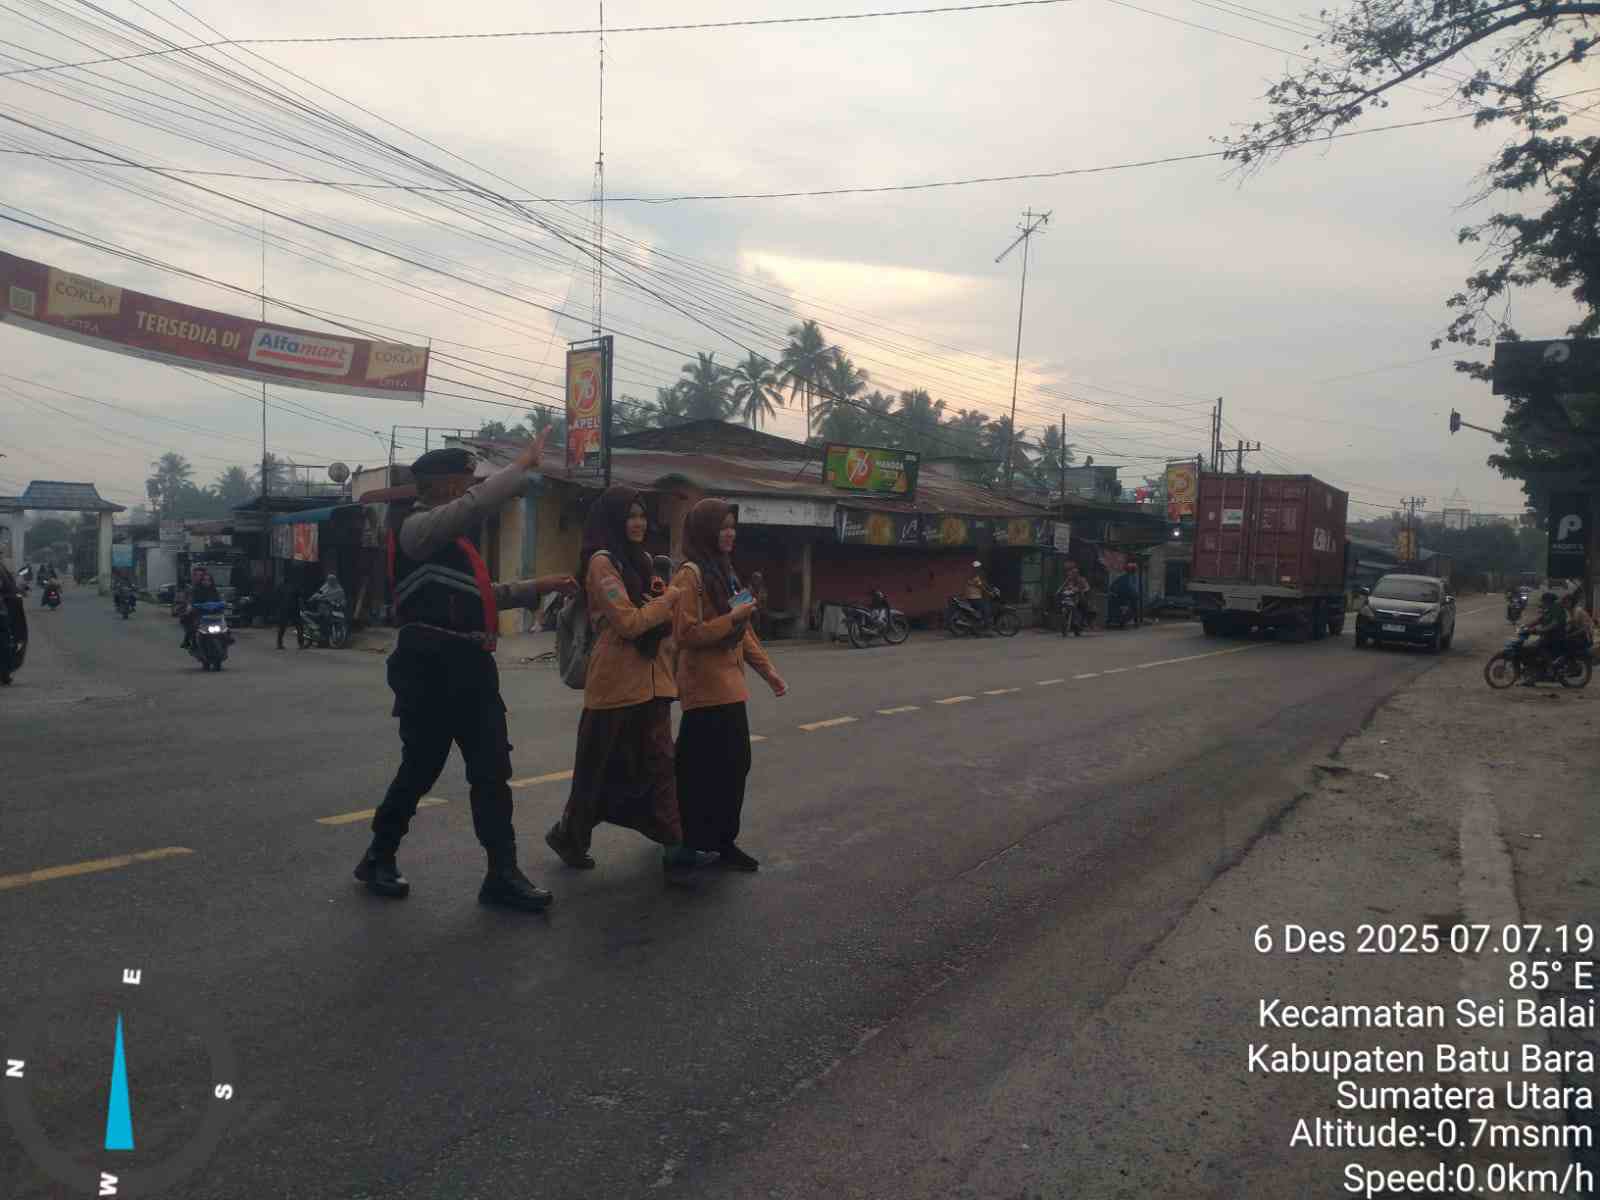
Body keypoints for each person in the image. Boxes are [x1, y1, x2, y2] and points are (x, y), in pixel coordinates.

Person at [358, 437, 578, 912]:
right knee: (420, 769)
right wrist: (518, 467)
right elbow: (473, 507)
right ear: (439, 487)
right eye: (462, 483)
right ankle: (379, 855)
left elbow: (479, 595)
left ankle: (501, 873)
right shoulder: (416, 529)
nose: (468, 491)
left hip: (472, 670)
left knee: (492, 771)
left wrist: (538, 587)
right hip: (430, 671)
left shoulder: (453, 543)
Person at [546, 487, 707, 884]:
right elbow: (629, 622)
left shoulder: (645, 560)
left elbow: (653, 621)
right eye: (630, 516)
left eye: (642, 516)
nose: (638, 523)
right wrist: (670, 599)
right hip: (615, 685)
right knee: (596, 771)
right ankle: (570, 835)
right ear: (613, 521)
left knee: (659, 765)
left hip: (653, 682)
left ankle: (674, 847)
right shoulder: (602, 564)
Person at [673, 499, 788, 871]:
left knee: (735, 764)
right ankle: (686, 845)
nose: (730, 532)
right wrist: (732, 618)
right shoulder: (689, 576)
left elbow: (745, 631)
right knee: (698, 771)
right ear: (706, 530)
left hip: (730, 685)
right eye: (722, 526)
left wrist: (768, 671)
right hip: (703, 689)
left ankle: (723, 840)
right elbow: (685, 633)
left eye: (733, 526)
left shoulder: (727, 573)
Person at [1520, 591, 1569, 686]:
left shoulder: (1557, 609)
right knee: (1529, 648)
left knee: (1538, 648)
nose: (1542, 603)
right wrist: (1525, 626)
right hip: (1548, 636)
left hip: (1556, 637)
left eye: (1543, 601)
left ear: (1548, 601)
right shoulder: (1548, 609)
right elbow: (1539, 620)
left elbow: (1554, 624)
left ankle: (1550, 667)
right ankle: (1533, 675)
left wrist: (1541, 630)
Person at [180, 569, 220, 648]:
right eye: (204, 580)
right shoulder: (195, 590)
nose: (206, 582)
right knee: (192, 624)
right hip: (199, 612)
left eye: (209, 580)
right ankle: (190, 640)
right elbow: (190, 600)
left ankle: (226, 638)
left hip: (213, 613)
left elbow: (219, 600)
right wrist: (190, 606)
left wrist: (222, 605)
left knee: (223, 624)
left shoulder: (214, 590)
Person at [309, 571, 347, 644]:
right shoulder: (325, 587)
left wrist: (342, 604)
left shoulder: (339, 589)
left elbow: (342, 599)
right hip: (323, 607)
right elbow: (318, 593)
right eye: (329, 580)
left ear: (335, 580)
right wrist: (312, 598)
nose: (330, 581)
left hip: (334, 609)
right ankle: (321, 637)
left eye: (332, 579)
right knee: (323, 620)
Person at [274, 570, 305, 650]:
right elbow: (301, 596)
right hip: (294, 609)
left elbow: (276, 598)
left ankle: (279, 644)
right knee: (299, 627)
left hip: (283, 609)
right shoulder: (295, 586)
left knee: (282, 627)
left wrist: (278, 608)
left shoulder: (280, 586)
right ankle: (301, 644)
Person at [965, 561, 992, 632]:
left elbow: (983, 583)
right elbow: (981, 586)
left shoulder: (972, 575)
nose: (980, 569)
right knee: (986, 609)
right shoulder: (975, 576)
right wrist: (989, 593)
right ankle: (986, 629)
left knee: (980, 610)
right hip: (974, 597)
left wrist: (989, 588)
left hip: (971, 596)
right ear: (976, 568)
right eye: (979, 568)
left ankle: (979, 626)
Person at [749, 570, 770, 639]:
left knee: (766, 615)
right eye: (756, 579)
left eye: (759, 579)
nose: (757, 581)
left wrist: (760, 604)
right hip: (751, 608)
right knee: (755, 614)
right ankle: (754, 635)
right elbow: (748, 600)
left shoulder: (762, 589)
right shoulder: (750, 588)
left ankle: (764, 635)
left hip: (761, 608)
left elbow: (764, 599)